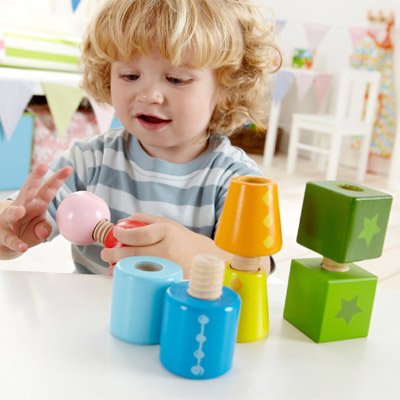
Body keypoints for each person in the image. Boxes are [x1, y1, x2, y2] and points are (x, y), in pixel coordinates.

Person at [0, 0, 280, 277]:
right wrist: (10, 229)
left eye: (176, 79)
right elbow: (22, 221)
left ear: (228, 87)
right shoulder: (90, 159)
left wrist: (193, 255)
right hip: (91, 304)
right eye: (130, 75)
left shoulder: (236, 179)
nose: (149, 95)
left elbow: (257, 267)